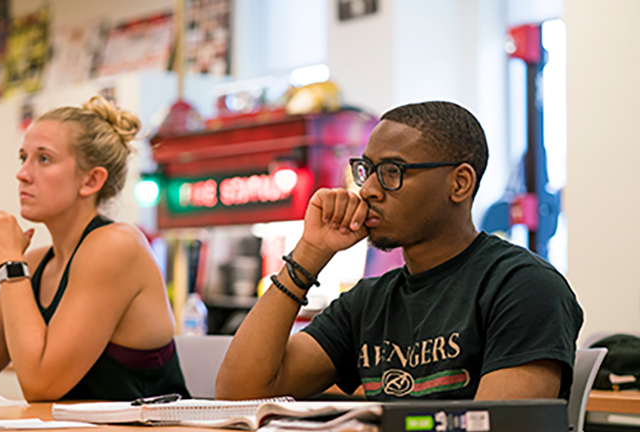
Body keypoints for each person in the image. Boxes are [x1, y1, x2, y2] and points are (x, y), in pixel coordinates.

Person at [216, 101, 583, 401]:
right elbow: (239, 394)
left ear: (459, 183)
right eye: (368, 170)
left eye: (392, 171)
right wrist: (310, 253)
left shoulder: (523, 286)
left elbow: (501, 425)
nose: (370, 190)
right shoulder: (368, 302)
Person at [0, 95, 189, 402]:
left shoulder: (116, 245)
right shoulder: (37, 262)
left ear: (91, 180)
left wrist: (10, 264)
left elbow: (40, 385)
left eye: (43, 159)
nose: (22, 173)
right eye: (23, 158)